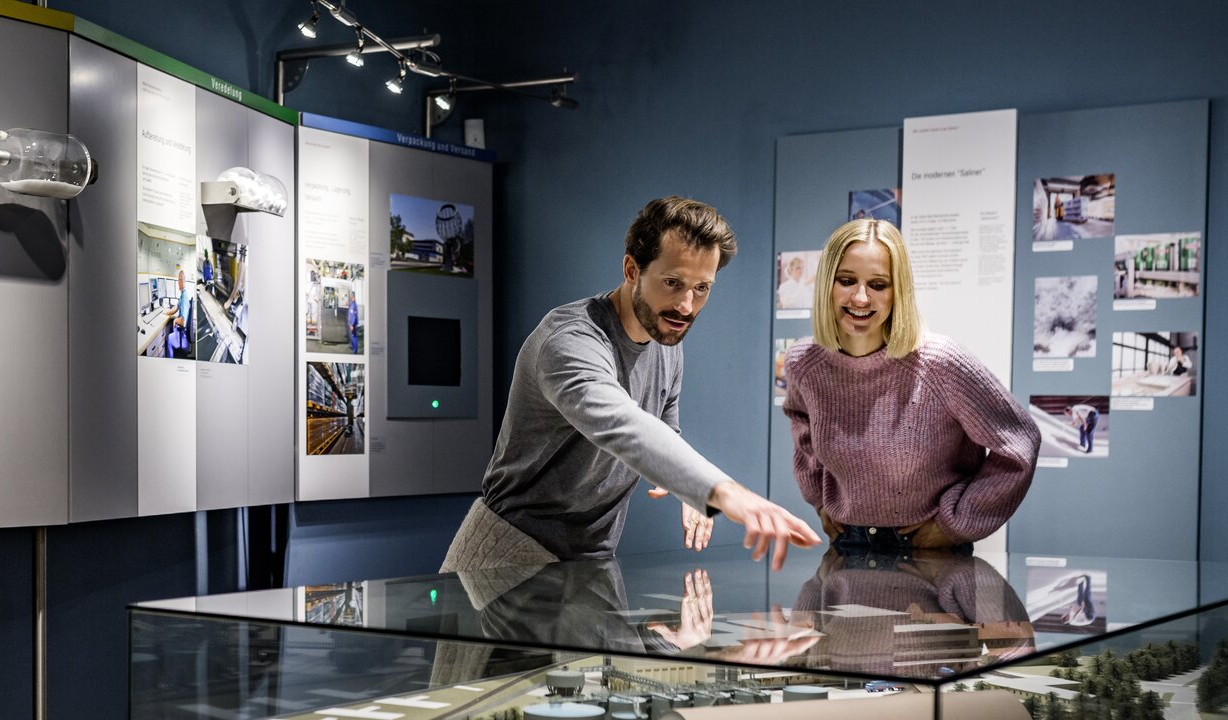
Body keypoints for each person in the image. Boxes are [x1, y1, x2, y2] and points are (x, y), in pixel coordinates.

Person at [441, 196, 821, 574]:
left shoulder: (666, 341)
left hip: (588, 563)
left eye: (702, 288)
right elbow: (622, 425)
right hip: (507, 554)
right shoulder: (570, 340)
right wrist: (725, 493)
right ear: (631, 269)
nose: (686, 306)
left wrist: (685, 489)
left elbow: (663, 431)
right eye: (673, 283)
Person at [782, 219, 1039, 554]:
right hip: (848, 546)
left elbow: (1019, 442)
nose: (860, 298)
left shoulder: (940, 363)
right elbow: (805, 437)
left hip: (929, 552)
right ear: (826, 283)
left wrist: (957, 524)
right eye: (846, 281)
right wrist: (819, 501)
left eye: (878, 284)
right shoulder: (805, 363)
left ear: (898, 291)